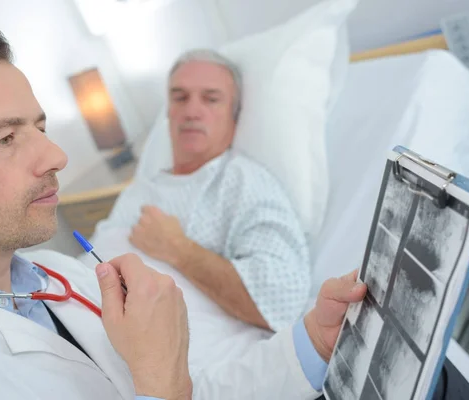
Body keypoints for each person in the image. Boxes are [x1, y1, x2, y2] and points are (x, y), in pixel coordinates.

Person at [0, 19, 469, 400]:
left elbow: (194, 386)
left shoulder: (57, 277)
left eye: (39, 126)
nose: (57, 155)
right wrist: (161, 379)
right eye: (5, 139)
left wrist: (309, 344)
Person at [92, 49, 310, 331]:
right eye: (180, 97)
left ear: (234, 117)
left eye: (211, 99)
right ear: (169, 111)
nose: (191, 111)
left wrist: (180, 250)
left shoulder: (242, 182)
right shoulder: (144, 185)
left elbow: (281, 298)